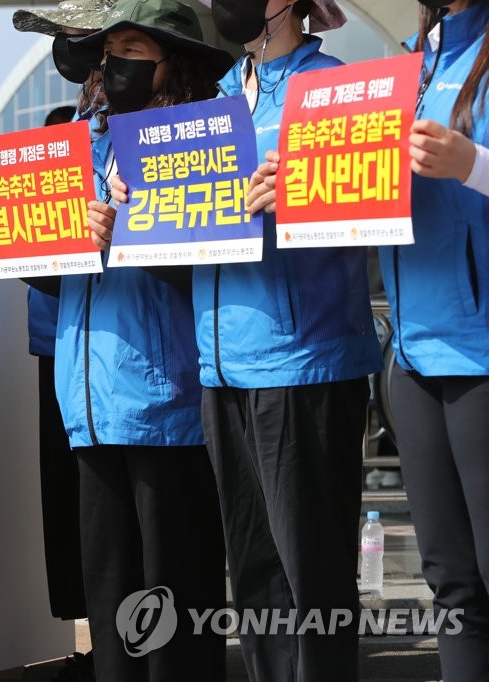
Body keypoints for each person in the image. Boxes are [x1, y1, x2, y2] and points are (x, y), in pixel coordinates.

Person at [107, 2, 380, 680]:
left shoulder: (334, 90)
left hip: (306, 362)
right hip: (221, 368)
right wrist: (131, 218)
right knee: (255, 576)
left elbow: (374, 211)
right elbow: (185, 240)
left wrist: (304, 190)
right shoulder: (215, 104)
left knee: (311, 578)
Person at [0, 1, 232, 678]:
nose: (114, 66)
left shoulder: (195, 141)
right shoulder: (77, 145)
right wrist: (10, 249)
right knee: (109, 587)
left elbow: (208, 262)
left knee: (174, 586)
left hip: (165, 402)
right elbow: (64, 281)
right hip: (86, 406)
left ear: (174, 65)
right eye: (108, 52)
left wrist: (133, 230)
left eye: (134, 51)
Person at [379, 1, 489, 679]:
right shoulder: (404, 64)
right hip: (413, 353)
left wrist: (472, 162)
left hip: (481, 353)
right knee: (450, 583)